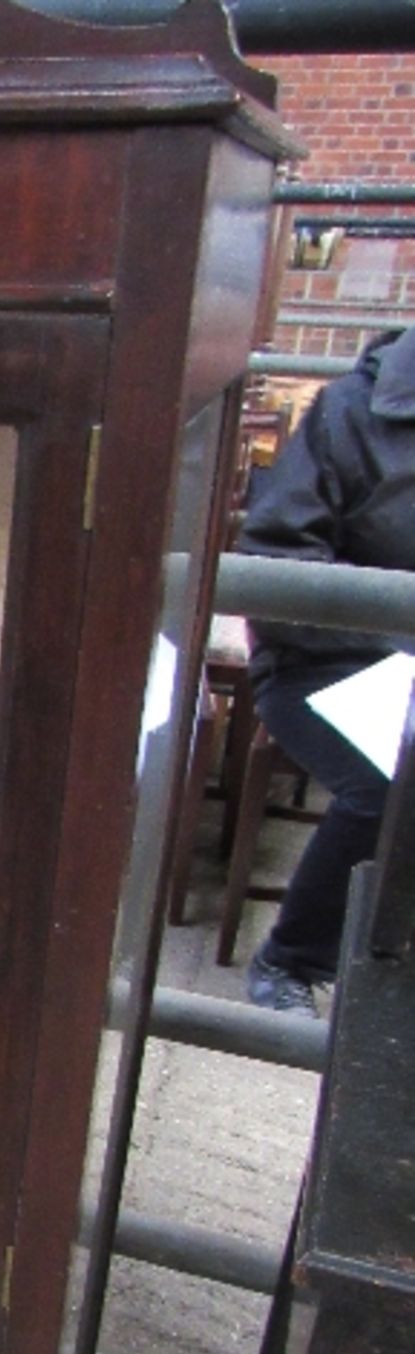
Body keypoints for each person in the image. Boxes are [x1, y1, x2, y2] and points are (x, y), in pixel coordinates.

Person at [235, 325, 415, 1016]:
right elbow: (273, 562)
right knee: (389, 782)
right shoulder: (349, 412)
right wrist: (395, 640)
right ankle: (291, 958)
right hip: (322, 658)